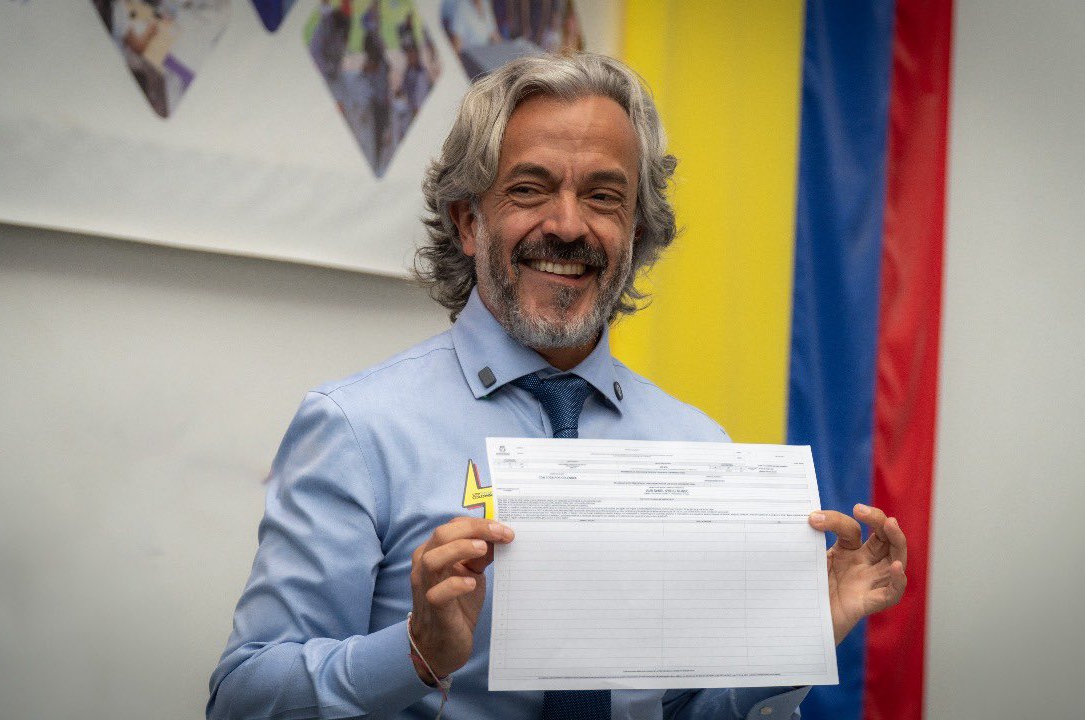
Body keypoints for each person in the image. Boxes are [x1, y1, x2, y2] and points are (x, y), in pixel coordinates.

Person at [207, 52, 907, 720]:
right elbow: (241, 697)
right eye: (529, 189)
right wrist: (413, 653)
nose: (568, 226)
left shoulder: (699, 448)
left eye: (603, 196)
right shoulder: (357, 430)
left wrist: (794, 643)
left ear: (636, 231)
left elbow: (682, 710)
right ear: (468, 221)